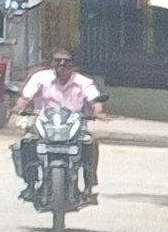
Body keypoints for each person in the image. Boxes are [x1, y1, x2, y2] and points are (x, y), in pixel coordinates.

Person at [12, 54, 103, 202]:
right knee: (26, 143)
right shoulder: (40, 77)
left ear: (74, 66)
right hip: (43, 125)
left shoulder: (84, 82)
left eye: (66, 62)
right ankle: (30, 184)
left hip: (74, 126)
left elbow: (95, 100)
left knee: (89, 144)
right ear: (51, 63)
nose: (61, 65)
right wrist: (19, 107)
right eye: (57, 62)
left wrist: (98, 111)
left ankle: (88, 188)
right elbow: (25, 97)